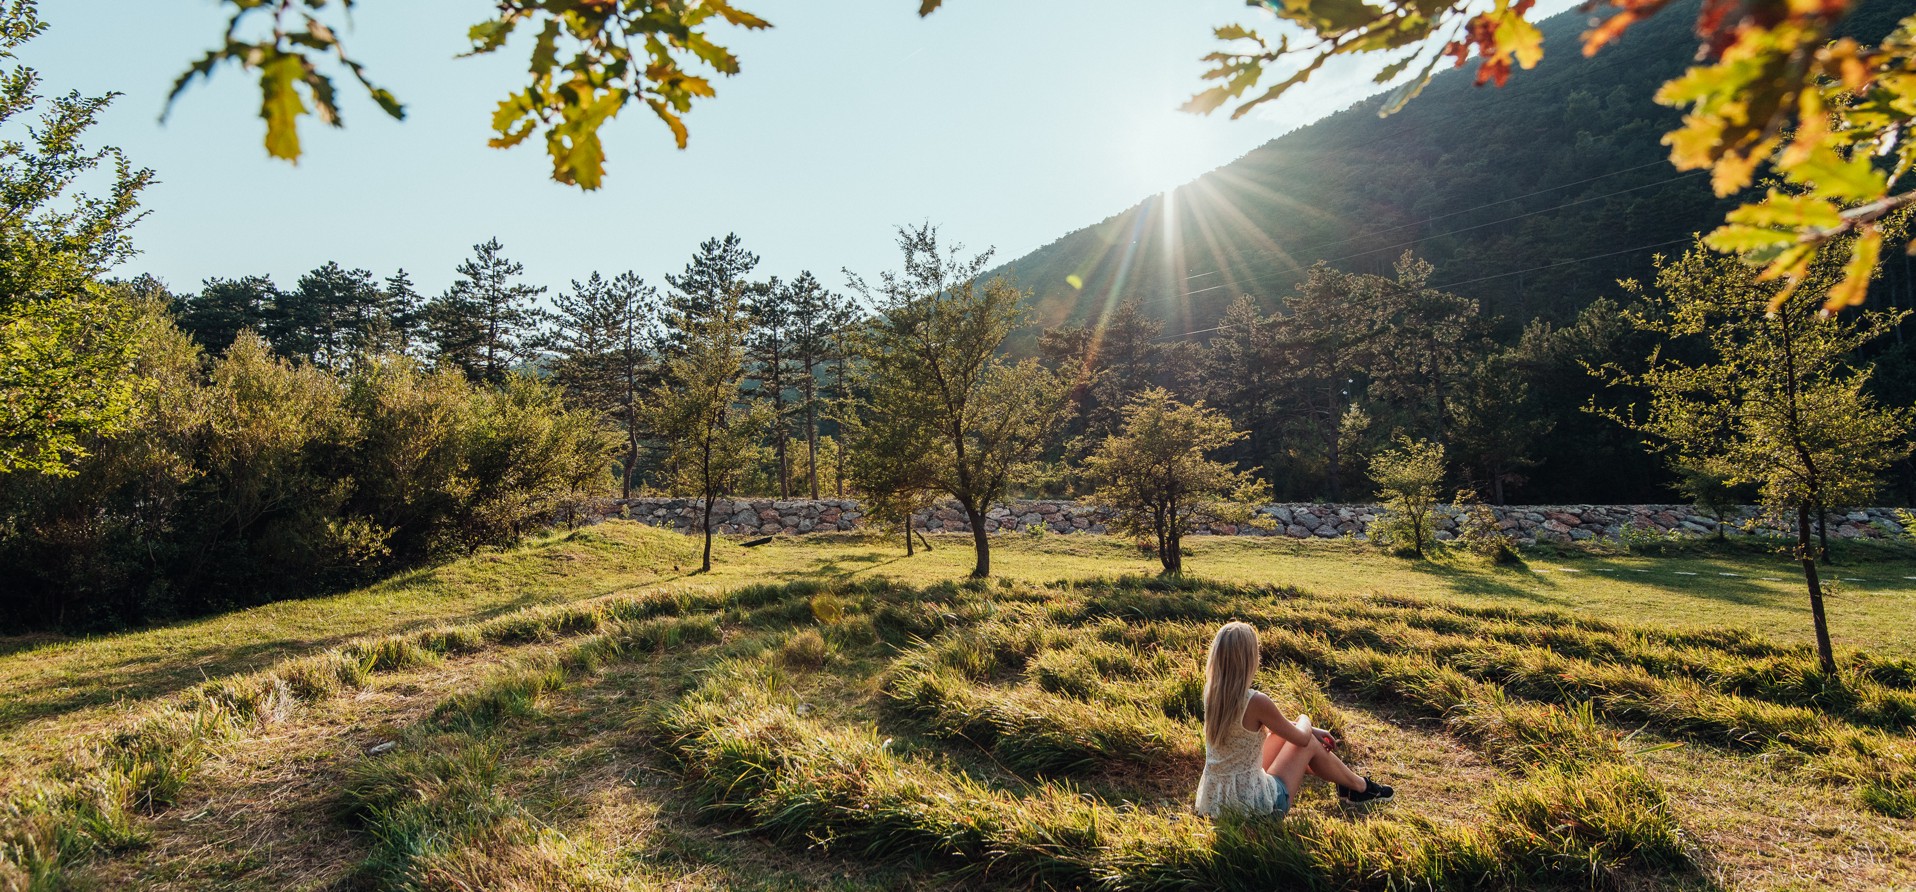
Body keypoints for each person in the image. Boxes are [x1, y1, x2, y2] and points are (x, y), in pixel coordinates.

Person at [1194, 620, 1393, 818]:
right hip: (1255, 808)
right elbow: (1302, 739)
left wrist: (1304, 727)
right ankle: (1360, 787)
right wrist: (1304, 718)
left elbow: (1275, 727)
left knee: (1284, 735)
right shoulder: (1255, 701)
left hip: (1216, 802)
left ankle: (1350, 785)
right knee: (1309, 744)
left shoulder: (1212, 693)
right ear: (1250, 658)